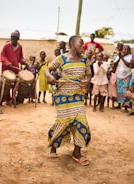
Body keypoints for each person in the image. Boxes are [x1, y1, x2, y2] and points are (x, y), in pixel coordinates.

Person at [45, 35, 91, 166]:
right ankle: (53, 147)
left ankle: (77, 152)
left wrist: (86, 81)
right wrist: (49, 76)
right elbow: (48, 69)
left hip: (77, 95)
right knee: (63, 122)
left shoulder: (85, 60)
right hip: (62, 96)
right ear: (71, 45)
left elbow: (89, 73)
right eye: (80, 44)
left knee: (82, 122)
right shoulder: (62, 58)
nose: (83, 46)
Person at [0, 31, 25, 105]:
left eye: (15, 38)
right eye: (12, 38)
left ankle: (13, 98)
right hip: (6, 68)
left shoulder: (20, 47)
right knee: (7, 84)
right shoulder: (6, 46)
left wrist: (24, 62)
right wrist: (7, 63)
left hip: (15, 68)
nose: (13, 40)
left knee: (14, 84)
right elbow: (2, 56)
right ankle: (6, 99)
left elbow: (20, 57)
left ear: (18, 39)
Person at [112, 45, 132, 112]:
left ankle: (126, 107)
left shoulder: (130, 57)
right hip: (119, 75)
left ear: (128, 51)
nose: (124, 50)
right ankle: (119, 105)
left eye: (126, 49)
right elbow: (114, 64)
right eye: (124, 49)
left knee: (125, 91)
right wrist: (119, 58)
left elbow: (128, 65)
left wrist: (122, 58)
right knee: (119, 91)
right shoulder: (119, 56)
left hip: (127, 75)